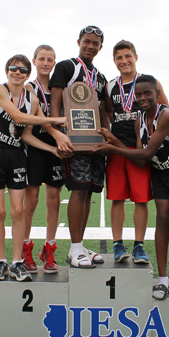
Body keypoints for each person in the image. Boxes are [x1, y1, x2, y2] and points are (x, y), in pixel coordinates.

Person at [95, 75, 169, 300]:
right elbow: (141, 160)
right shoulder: (139, 120)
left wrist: (112, 149)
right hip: (160, 173)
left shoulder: (166, 115)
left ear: (157, 94)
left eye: (147, 93)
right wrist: (114, 139)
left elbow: (147, 153)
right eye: (138, 94)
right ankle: (162, 280)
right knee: (162, 220)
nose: (142, 98)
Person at [0, 54, 68, 282]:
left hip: (17, 155)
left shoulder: (33, 100)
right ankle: (1, 261)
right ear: (7, 71)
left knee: (18, 211)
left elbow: (28, 135)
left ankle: (17, 262)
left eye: (22, 70)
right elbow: (18, 116)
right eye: (13, 68)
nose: (17, 73)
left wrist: (51, 150)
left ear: (28, 74)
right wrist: (56, 120)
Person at [49, 25, 110, 268]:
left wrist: (106, 137)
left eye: (95, 43)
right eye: (87, 41)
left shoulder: (101, 76)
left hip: (95, 142)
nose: (91, 46)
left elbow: (103, 110)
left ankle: (80, 244)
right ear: (79, 41)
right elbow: (55, 101)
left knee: (88, 193)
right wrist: (57, 135)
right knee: (78, 189)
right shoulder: (67, 67)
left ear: (100, 47)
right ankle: (74, 249)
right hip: (73, 140)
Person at [105, 40, 169, 264]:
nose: (124, 61)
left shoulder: (149, 82)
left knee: (141, 199)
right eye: (119, 57)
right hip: (116, 148)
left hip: (141, 148)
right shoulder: (110, 86)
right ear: (114, 61)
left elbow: (164, 111)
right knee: (117, 198)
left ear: (136, 57)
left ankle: (139, 245)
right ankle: (117, 244)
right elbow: (110, 113)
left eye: (127, 56)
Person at [22, 45, 66, 274]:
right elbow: (34, 121)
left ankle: (49, 250)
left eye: (50, 59)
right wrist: (55, 136)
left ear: (54, 62)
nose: (46, 63)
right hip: (37, 146)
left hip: (57, 147)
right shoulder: (29, 87)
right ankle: (25, 249)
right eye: (42, 59)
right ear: (34, 61)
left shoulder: (61, 88)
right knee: (31, 200)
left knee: (54, 199)